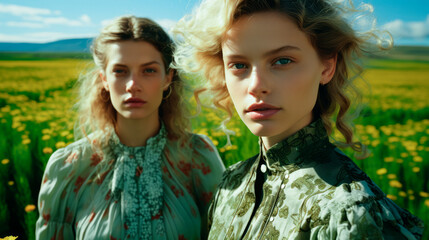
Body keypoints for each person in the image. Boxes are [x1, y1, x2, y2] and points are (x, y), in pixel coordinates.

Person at [173, 0, 424, 239]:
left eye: (283, 61)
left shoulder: (351, 211)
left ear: (326, 67)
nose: (256, 86)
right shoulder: (232, 181)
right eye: (239, 65)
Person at [35, 16, 225, 240]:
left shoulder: (197, 156)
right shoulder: (69, 166)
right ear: (104, 79)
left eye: (149, 71)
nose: (133, 85)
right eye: (120, 71)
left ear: (167, 78)